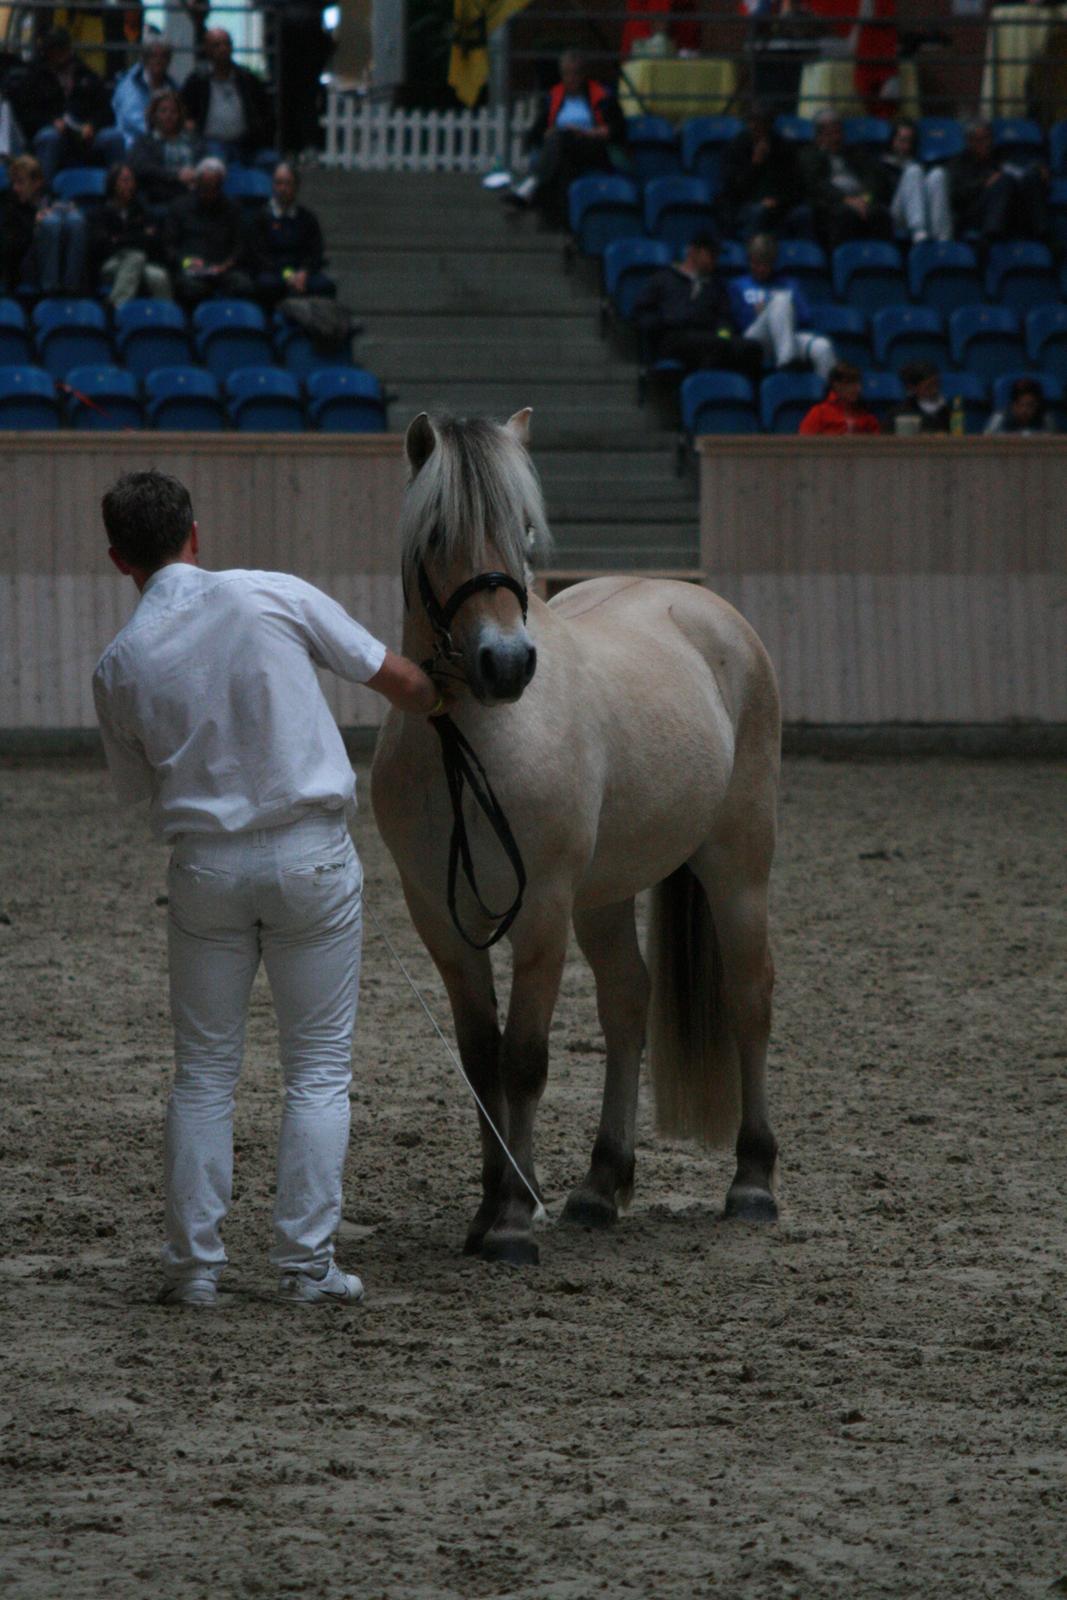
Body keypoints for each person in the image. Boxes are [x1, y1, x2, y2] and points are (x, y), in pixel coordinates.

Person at [92, 470, 448, 1308]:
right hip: (311, 856)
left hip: (205, 868)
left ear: (119, 560)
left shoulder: (119, 665)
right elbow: (395, 680)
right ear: (195, 534)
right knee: (318, 1072)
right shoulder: (271, 594)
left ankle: (196, 1269)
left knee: (204, 1074)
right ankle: (303, 1264)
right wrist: (442, 694)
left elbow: (139, 793)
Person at [504, 49, 627, 225]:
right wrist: (547, 134)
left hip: (593, 147)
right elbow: (536, 133)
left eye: (575, 73)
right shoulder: (555, 96)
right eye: (566, 74)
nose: (571, 79)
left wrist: (587, 132)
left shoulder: (602, 95)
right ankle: (563, 226)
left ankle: (529, 188)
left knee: (561, 140)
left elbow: (618, 129)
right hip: (562, 149)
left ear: (584, 74)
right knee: (562, 158)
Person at [631, 229, 764, 383]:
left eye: (716, 255)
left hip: (708, 337)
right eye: (710, 254)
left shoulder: (716, 286)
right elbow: (641, 312)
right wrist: (663, 323)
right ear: (693, 252)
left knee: (751, 348)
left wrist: (723, 335)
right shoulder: (664, 279)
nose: (715, 260)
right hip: (672, 336)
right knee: (712, 346)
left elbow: (724, 319)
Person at [7, 26, 124, 185]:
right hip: (52, 133)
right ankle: (43, 193)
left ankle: (118, 191)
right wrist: (50, 122)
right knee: (49, 137)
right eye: (54, 49)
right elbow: (25, 114)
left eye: (62, 48)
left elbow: (107, 112)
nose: (59, 53)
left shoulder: (86, 75)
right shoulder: (34, 77)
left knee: (113, 137)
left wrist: (93, 125)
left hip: (85, 135)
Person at [728, 231, 835, 380]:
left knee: (823, 347)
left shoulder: (788, 284)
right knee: (780, 300)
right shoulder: (738, 285)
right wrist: (760, 314)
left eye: (765, 264)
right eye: (756, 263)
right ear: (749, 261)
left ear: (773, 263)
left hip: (787, 336)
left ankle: (827, 398)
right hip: (755, 341)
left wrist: (780, 314)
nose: (760, 269)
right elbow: (737, 322)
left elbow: (805, 317)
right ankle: (787, 362)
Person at [164, 155, 253, 306]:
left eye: (214, 188)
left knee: (243, 285)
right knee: (190, 288)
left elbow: (240, 246)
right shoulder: (179, 207)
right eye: (205, 188)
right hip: (190, 270)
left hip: (222, 269)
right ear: (197, 183)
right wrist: (186, 262)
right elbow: (168, 247)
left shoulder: (233, 209)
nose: (209, 194)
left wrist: (226, 265)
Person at [798, 109, 893, 251]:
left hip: (863, 200)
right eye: (829, 134)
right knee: (846, 215)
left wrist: (865, 199)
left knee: (880, 214)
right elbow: (817, 184)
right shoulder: (809, 155)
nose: (835, 138)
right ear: (819, 136)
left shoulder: (854, 152)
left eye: (838, 132)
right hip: (832, 203)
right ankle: (844, 263)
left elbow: (873, 178)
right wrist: (846, 199)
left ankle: (881, 263)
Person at [181, 27, 275, 167]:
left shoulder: (247, 79)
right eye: (217, 45)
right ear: (207, 49)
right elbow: (185, 112)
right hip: (210, 144)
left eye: (227, 44)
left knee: (274, 162)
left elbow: (264, 112)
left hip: (246, 145)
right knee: (214, 167)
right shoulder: (197, 81)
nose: (223, 49)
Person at [246, 161, 335, 304]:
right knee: (266, 285)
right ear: (273, 186)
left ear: (296, 187)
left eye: (288, 183)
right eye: (279, 183)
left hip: (301, 272)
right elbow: (259, 255)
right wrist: (287, 275)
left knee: (325, 286)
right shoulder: (260, 218)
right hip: (273, 271)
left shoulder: (307, 218)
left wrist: (304, 272)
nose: (283, 188)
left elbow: (315, 252)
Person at [948, 119, 1049, 246]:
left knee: (1032, 176)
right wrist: (985, 183)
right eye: (980, 140)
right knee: (1004, 181)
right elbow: (957, 195)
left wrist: (1038, 166)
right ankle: (991, 236)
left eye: (987, 138)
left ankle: (1042, 234)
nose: (985, 144)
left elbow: (1021, 166)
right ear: (970, 141)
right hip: (975, 211)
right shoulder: (958, 162)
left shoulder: (998, 155)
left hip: (1008, 206)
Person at [0, 153, 87, 295]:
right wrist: (33, 225)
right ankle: (50, 290)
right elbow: (8, 250)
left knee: (75, 220)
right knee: (50, 223)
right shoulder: (9, 207)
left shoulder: (52, 200)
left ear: (37, 183)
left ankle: (72, 288)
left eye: (20, 182)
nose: (15, 188)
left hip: (59, 264)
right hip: (24, 266)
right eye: (13, 183)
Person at [90, 161, 171, 307]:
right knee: (136, 256)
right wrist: (137, 237)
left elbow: (154, 242)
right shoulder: (99, 213)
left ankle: (165, 319)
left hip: (139, 262)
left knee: (159, 277)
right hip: (110, 264)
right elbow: (101, 245)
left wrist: (120, 239)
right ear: (113, 183)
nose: (129, 185)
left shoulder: (142, 211)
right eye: (124, 180)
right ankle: (116, 308)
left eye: (131, 180)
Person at [719, 104, 802, 241]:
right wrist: (755, 164)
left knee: (803, 213)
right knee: (758, 212)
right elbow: (733, 188)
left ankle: (801, 257)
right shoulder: (737, 146)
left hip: (780, 203)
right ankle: (754, 254)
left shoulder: (782, 147)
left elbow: (794, 183)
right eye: (752, 122)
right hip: (744, 204)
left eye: (761, 122)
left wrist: (778, 200)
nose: (755, 127)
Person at [878, 118, 951, 244]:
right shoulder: (882, 164)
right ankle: (919, 231)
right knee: (913, 171)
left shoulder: (918, 163)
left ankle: (942, 237)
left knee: (938, 174)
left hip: (922, 211)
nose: (905, 146)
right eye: (902, 140)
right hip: (896, 214)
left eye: (909, 142)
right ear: (892, 140)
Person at [130, 88, 204, 211]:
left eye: (173, 111)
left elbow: (204, 161)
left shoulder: (193, 140)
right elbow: (141, 167)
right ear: (154, 115)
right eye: (163, 111)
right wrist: (176, 175)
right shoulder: (145, 141)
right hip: (159, 200)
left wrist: (195, 174)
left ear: (180, 115)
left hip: (193, 198)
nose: (168, 116)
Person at [112, 39, 179, 149]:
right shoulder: (129, 84)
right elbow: (131, 119)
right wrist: (158, 133)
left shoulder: (173, 88)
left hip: (163, 144)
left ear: (169, 61)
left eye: (163, 56)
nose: (159, 60)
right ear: (145, 59)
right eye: (154, 56)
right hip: (129, 142)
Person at [798, 361, 881, 434]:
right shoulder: (819, 413)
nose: (858, 389)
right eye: (850, 383)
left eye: (858, 383)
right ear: (836, 385)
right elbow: (804, 444)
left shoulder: (868, 418)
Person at [888, 360, 950, 434]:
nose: (934, 390)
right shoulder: (899, 413)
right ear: (912, 387)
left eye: (937, 384)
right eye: (929, 386)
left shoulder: (945, 411)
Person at [984, 375, 1058, 434]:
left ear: (1037, 405)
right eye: (1021, 405)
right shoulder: (999, 419)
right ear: (1013, 405)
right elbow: (986, 442)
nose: (1025, 410)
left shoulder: (1046, 419)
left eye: (1030, 405)